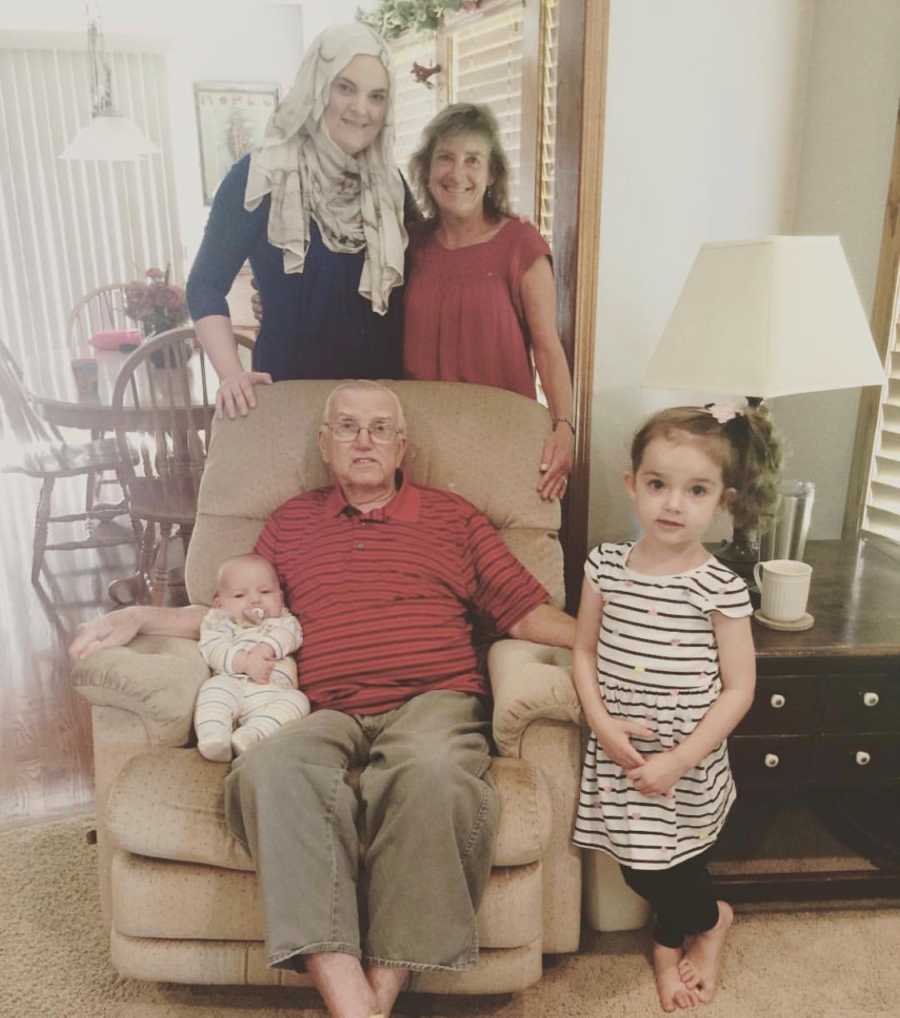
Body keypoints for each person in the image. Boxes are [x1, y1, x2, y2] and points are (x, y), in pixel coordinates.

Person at [71, 380, 575, 1018]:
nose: (363, 440)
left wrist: (608, 635)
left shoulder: (455, 517)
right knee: (271, 771)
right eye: (347, 427)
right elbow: (234, 613)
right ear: (324, 444)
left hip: (434, 699)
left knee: (435, 776)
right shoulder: (290, 522)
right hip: (318, 706)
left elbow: (528, 614)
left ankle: (372, 1000)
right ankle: (352, 998)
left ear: (402, 448)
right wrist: (142, 615)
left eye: (379, 428)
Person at [571, 403, 781, 1012]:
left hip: (685, 763)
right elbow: (583, 653)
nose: (672, 504)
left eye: (696, 490)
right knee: (638, 867)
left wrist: (682, 760)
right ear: (632, 483)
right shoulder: (604, 567)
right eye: (658, 484)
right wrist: (602, 725)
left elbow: (739, 688)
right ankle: (700, 920)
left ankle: (688, 932)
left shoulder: (721, 586)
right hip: (620, 755)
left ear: (722, 500)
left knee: (677, 861)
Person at [186, 24, 414, 420]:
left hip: (375, 415)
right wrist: (231, 374)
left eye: (376, 96)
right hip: (286, 404)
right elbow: (204, 285)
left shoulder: (390, 186)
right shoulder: (261, 175)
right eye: (345, 87)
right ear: (316, 86)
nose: (362, 109)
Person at [403, 103, 575, 502]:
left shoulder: (520, 245)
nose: (457, 173)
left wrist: (564, 426)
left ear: (491, 173)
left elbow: (548, 349)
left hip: (500, 439)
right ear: (426, 170)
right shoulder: (408, 246)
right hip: (419, 446)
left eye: (473, 160)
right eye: (445, 157)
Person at [195, 553, 308, 762]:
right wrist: (245, 663)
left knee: (298, 701)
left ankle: (251, 735)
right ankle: (214, 737)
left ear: (280, 597)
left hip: (273, 690)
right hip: (231, 682)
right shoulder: (220, 622)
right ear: (220, 604)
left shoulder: (283, 620)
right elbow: (213, 648)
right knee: (212, 690)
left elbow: (290, 637)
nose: (255, 599)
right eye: (239, 596)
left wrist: (265, 649)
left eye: (265, 592)